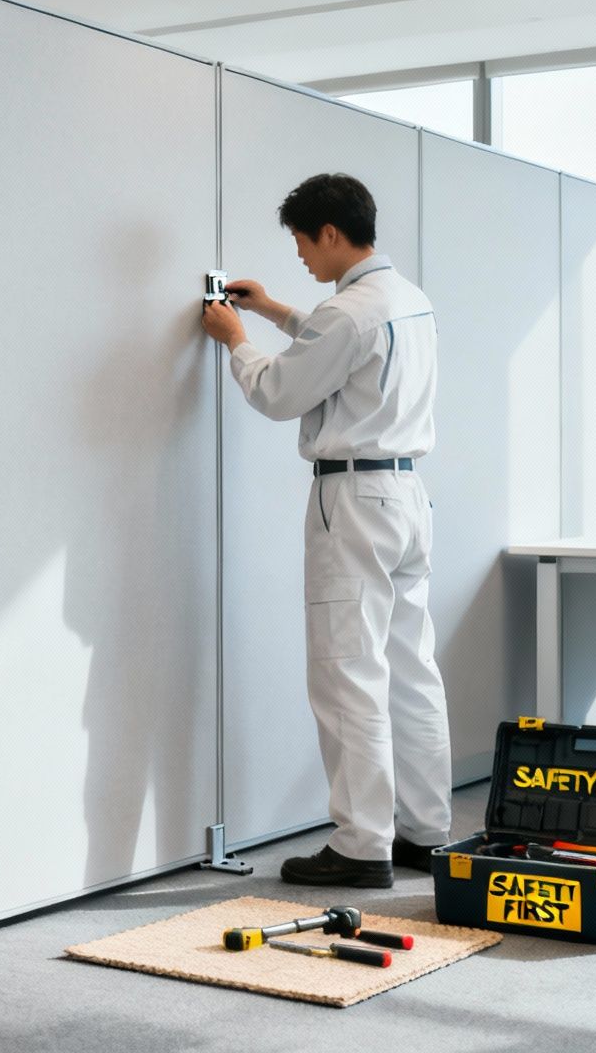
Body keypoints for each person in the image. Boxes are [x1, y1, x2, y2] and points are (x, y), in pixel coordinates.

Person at [200, 172, 449, 889]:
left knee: (349, 674)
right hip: (407, 496)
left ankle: (361, 845)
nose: (303, 257)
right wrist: (277, 312)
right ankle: (425, 833)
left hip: (354, 498)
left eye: (304, 243)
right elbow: (344, 348)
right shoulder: (407, 299)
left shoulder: (348, 313)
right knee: (410, 668)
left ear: (332, 234)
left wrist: (235, 339)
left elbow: (280, 393)